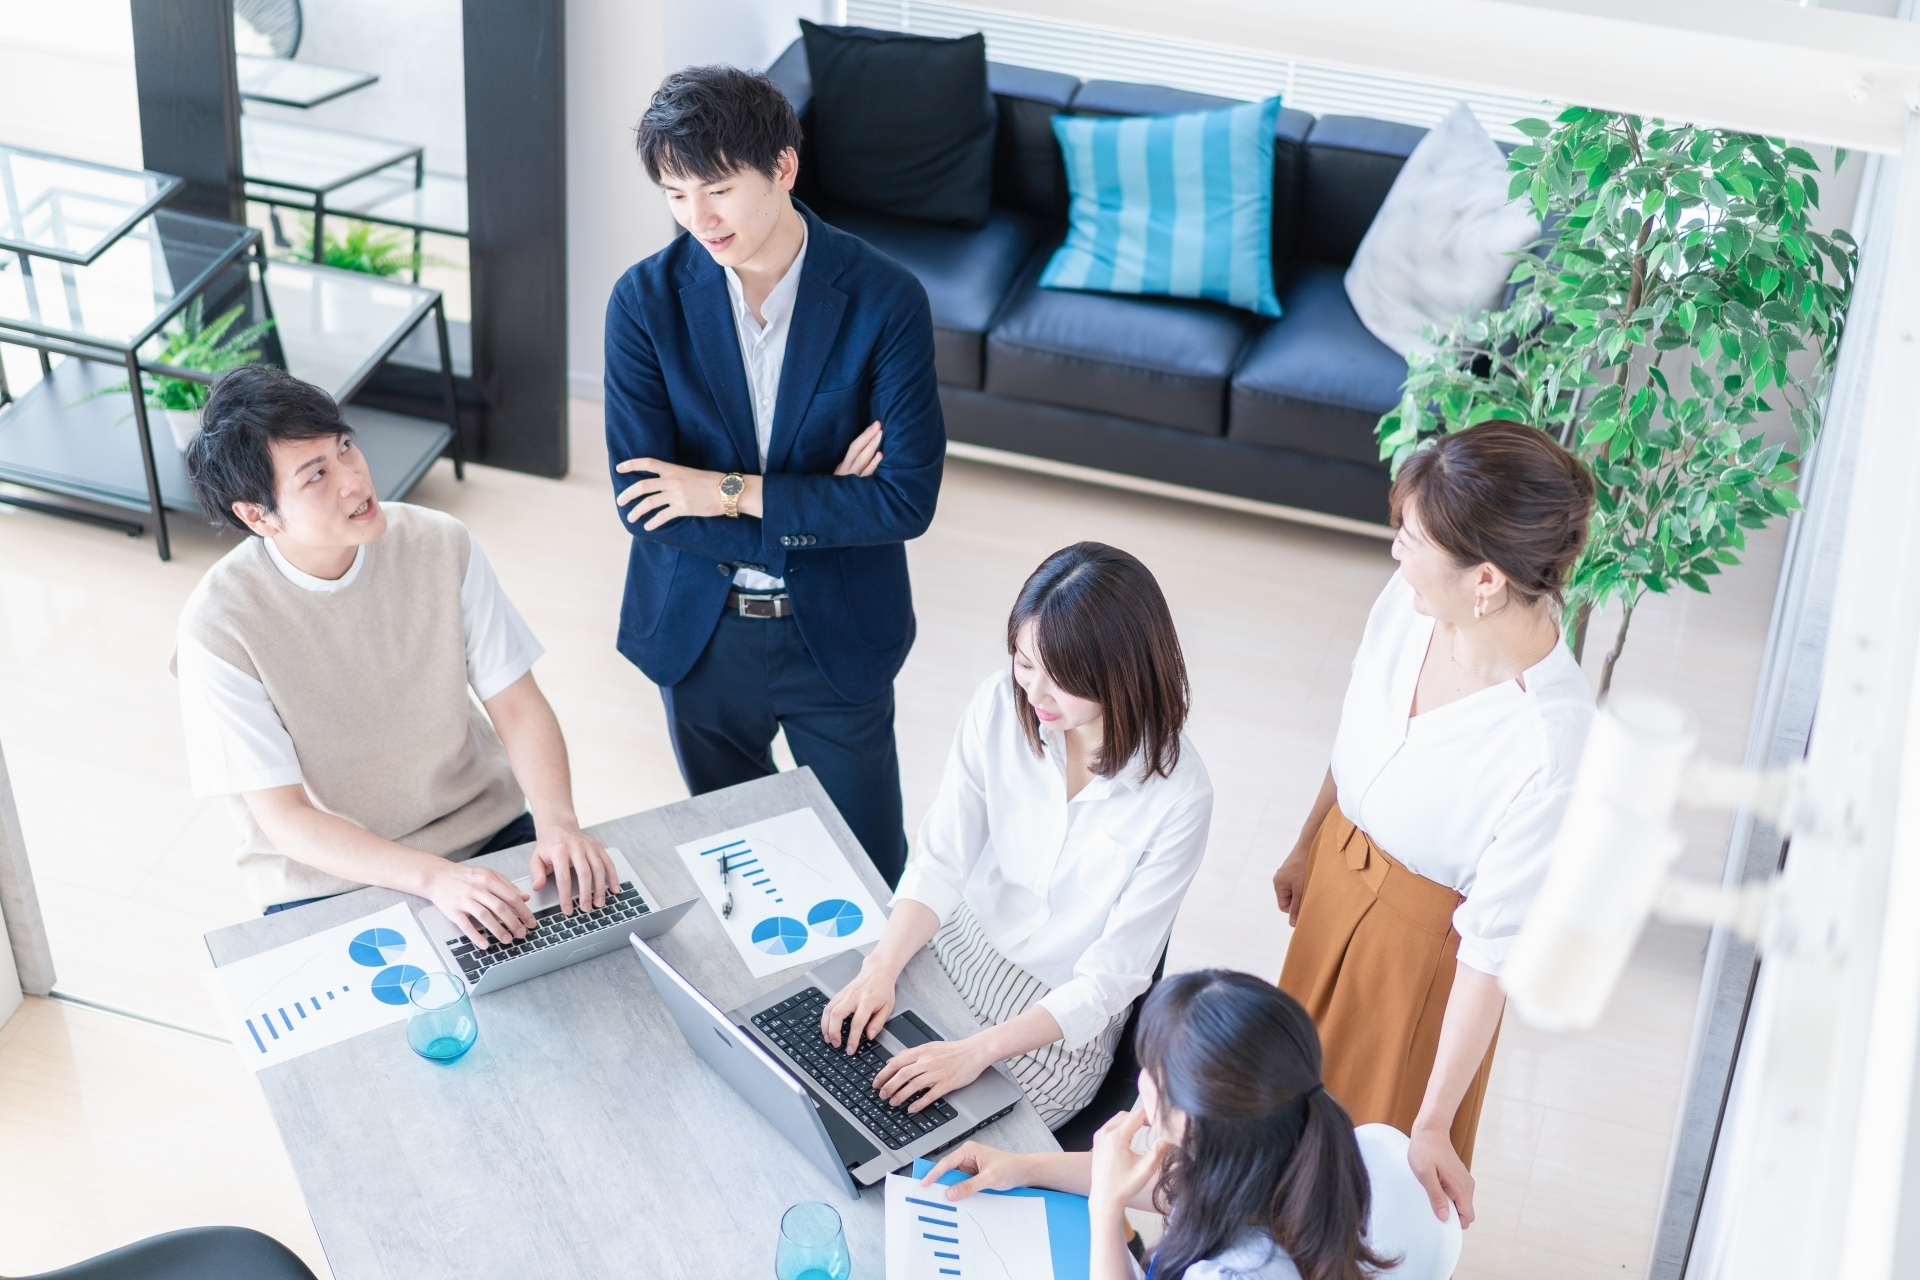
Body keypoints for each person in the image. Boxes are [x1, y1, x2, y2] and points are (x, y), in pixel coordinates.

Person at [604, 65, 944, 888]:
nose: (699, 219)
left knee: (870, 871)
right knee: (743, 871)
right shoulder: (644, 304)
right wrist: (826, 499)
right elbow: (645, 504)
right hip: (700, 634)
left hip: (837, 634)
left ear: (782, 168)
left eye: (718, 189)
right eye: (676, 194)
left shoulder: (885, 300)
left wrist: (724, 490)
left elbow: (904, 499)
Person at [1269, 421, 1596, 1227]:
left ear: (1484, 579)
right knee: (1273, 1123)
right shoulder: (1409, 603)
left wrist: (1435, 1120)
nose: (1395, 552)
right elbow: (1357, 733)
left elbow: (1491, 952)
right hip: (1336, 878)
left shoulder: (1549, 742)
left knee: (1351, 1186)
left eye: (1412, 540)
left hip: (1417, 959)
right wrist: (1309, 843)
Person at [175, 366, 617, 946]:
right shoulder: (218, 625)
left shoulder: (440, 542)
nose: (354, 480)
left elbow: (517, 704)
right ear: (257, 515)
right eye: (316, 475)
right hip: (325, 877)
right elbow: (286, 818)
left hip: (482, 827)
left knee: (588, 958)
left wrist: (560, 824)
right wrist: (434, 879)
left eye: (345, 447)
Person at [822, 543, 1212, 1128]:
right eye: (1025, 663)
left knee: (927, 1138)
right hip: (956, 945)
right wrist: (881, 966)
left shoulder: (1180, 794)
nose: (1035, 694)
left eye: (1063, 680)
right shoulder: (998, 705)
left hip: (1053, 1025)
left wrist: (975, 1052)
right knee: (835, 1072)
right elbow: (940, 860)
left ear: (1123, 674)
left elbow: (1111, 979)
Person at [926, 970, 1461, 1280]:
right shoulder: (1338, 1144)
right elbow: (1177, 1188)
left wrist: (1106, 1210)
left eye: (1152, 1072)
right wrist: (1024, 1166)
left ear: (1191, 1123)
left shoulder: (1231, 1273)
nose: (1142, 1082)